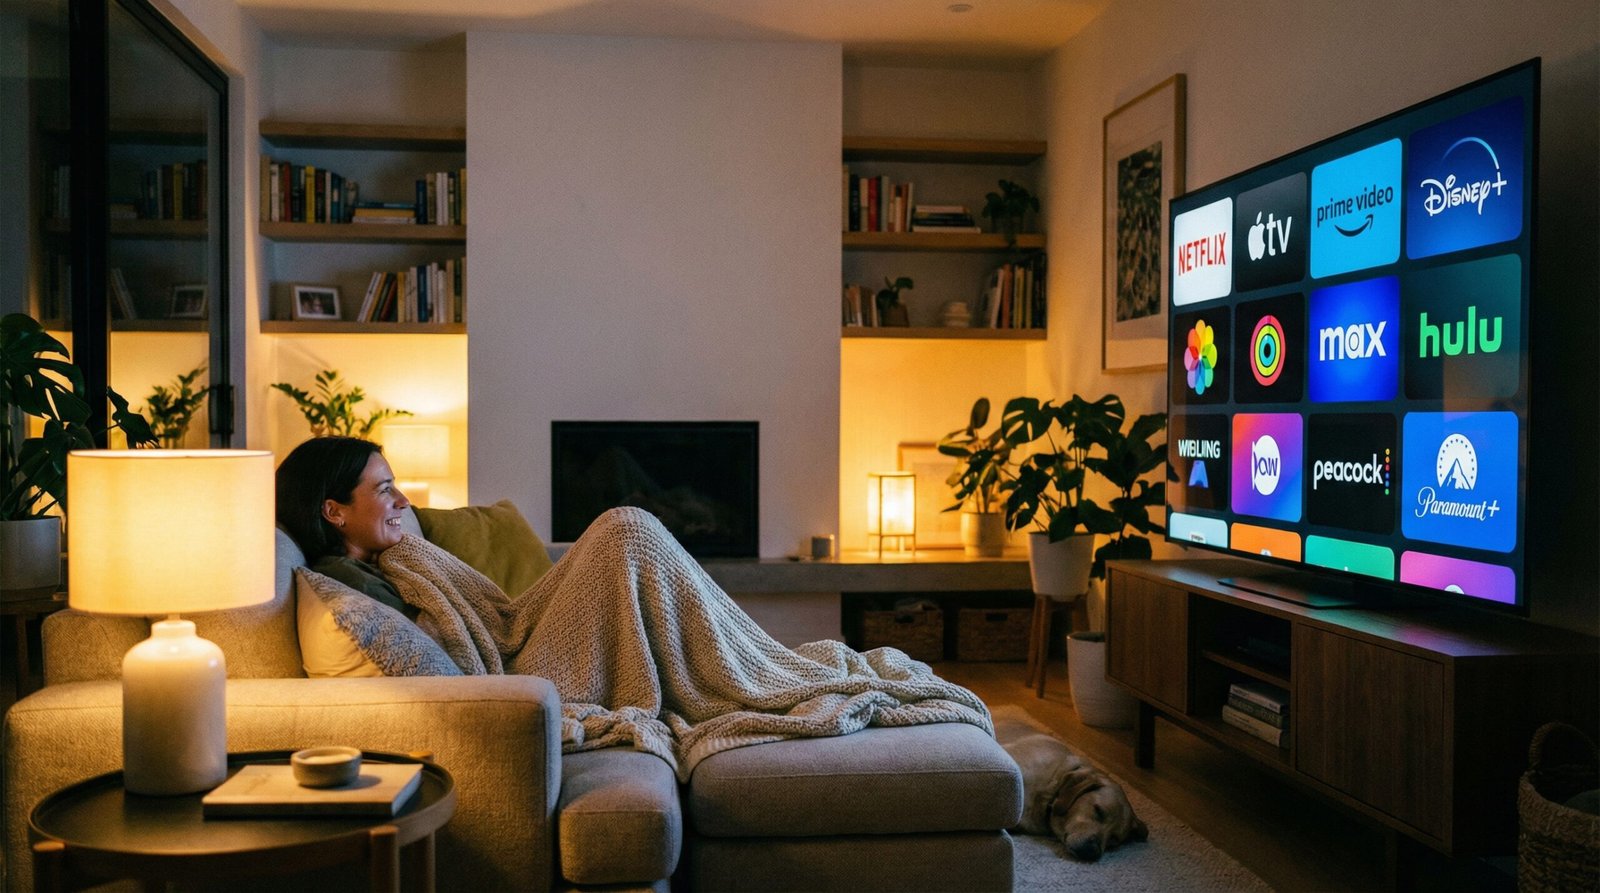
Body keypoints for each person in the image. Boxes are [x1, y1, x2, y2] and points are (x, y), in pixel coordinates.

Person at [274, 436, 417, 620]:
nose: (404, 501)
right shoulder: (360, 587)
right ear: (334, 512)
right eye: (384, 489)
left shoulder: (374, 564)